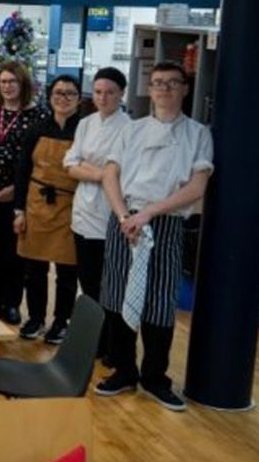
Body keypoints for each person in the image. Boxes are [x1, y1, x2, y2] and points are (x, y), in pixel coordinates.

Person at [96, 62, 212, 412]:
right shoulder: (132, 130)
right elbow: (110, 174)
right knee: (117, 295)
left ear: (184, 89)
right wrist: (123, 214)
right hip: (124, 219)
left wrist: (149, 213)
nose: (163, 89)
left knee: (160, 301)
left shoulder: (197, 134)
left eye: (172, 83)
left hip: (166, 223)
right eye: (158, 83)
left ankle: (155, 377)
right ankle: (124, 370)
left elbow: (196, 187)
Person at [64, 66, 129, 359]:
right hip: (83, 210)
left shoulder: (130, 128)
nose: (103, 98)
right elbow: (69, 164)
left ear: (121, 94)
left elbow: (120, 174)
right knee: (87, 281)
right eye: (99, 92)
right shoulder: (86, 123)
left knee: (108, 283)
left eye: (110, 92)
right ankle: (92, 341)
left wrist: (92, 171)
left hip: (110, 213)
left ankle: (110, 345)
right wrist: (102, 174)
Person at [0, 60, 47, 324]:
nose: (7, 86)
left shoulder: (38, 116)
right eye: (3, 82)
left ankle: (11, 302)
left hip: (19, 195)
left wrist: (16, 189)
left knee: (15, 252)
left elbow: (40, 160)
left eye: (12, 81)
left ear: (23, 83)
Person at [13, 76, 82, 343]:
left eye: (69, 93)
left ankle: (62, 321)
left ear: (78, 98)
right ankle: (35, 318)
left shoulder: (84, 129)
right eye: (58, 93)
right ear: (50, 96)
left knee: (67, 272)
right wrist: (19, 210)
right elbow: (22, 170)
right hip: (37, 203)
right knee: (34, 269)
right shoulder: (37, 128)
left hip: (71, 205)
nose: (63, 98)